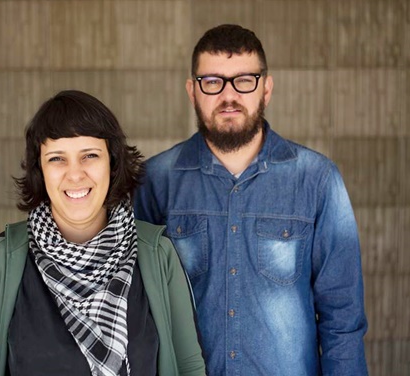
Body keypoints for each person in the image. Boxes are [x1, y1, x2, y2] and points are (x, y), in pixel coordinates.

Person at [134, 24, 368, 375]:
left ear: (266, 89)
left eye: (244, 80)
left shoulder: (317, 179)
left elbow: (343, 319)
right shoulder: (155, 181)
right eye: (212, 81)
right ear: (192, 91)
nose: (228, 95)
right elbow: (138, 312)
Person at [0, 90, 206, 376]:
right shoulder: (6, 257)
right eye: (57, 159)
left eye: (89, 155)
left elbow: (189, 367)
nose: (75, 174)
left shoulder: (157, 253)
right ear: (40, 170)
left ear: (112, 163)